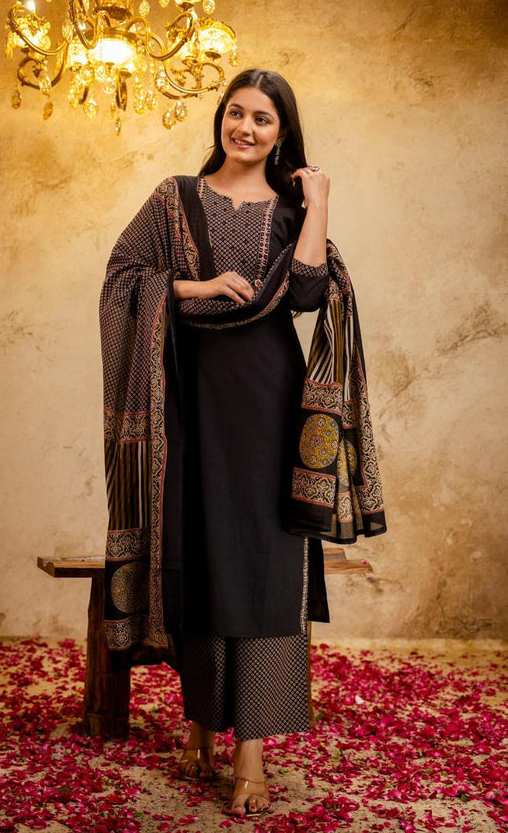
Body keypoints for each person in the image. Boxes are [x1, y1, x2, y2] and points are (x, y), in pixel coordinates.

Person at [99, 68, 386, 819]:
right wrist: (193, 288)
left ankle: (250, 751)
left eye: (262, 118)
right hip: (189, 402)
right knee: (199, 552)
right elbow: (123, 277)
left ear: (281, 132)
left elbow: (304, 294)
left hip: (271, 405)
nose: (246, 128)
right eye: (236, 113)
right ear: (221, 119)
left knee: (264, 563)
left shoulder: (294, 211)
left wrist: (318, 202)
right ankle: (199, 721)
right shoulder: (175, 197)